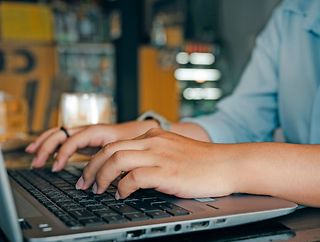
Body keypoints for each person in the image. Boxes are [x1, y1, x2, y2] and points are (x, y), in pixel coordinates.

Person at [26, 0, 320, 207]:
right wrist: (141, 133)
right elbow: (242, 123)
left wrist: (223, 163)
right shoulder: (293, 13)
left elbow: (229, 152)